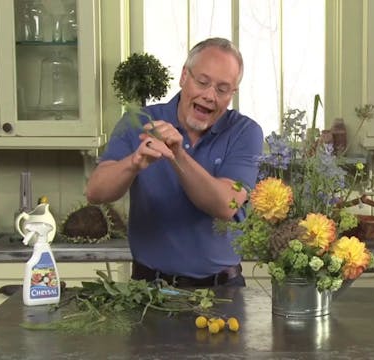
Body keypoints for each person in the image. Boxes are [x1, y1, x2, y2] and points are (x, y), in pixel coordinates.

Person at [86, 37, 263, 287]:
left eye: (222, 89)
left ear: (232, 94)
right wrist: (133, 162)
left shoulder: (245, 132)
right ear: (183, 77)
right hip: (148, 290)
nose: (209, 96)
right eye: (202, 82)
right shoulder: (139, 121)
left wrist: (177, 154)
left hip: (223, 291)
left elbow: (227, 205)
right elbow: (95, 192)